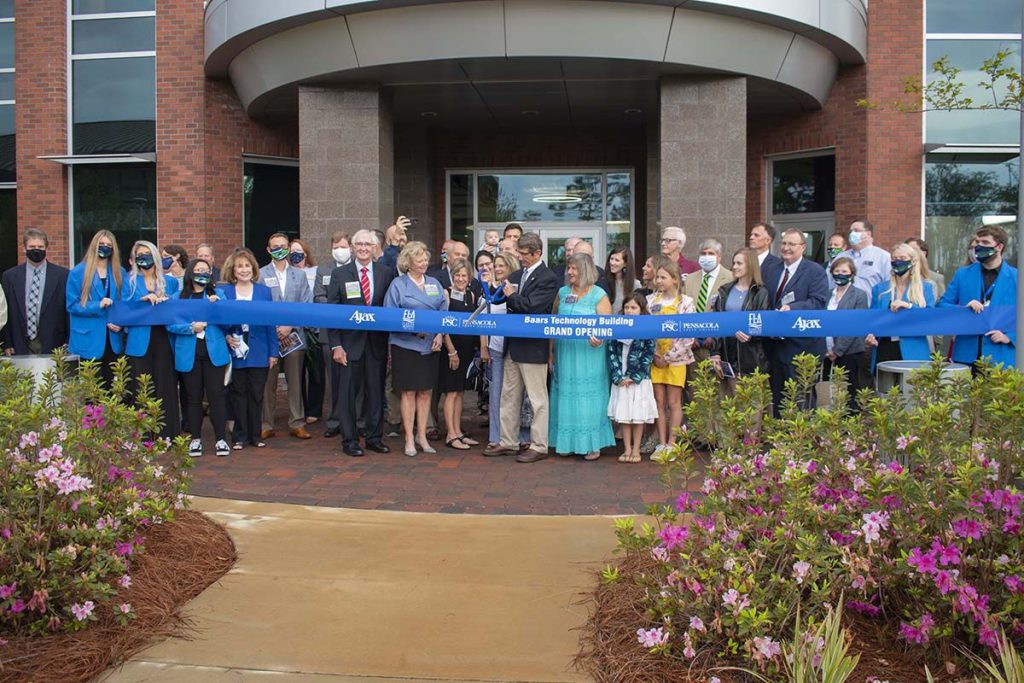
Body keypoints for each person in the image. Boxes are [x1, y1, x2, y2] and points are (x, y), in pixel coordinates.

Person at [482, 232, 559, 463]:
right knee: (508, 396)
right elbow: (505, 302)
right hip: (512, 345)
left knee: (537, 399)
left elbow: (532, 307)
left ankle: (539, 445)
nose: (520, 257)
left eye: (524, 254)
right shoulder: (516, 274)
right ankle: (508, 441)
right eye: (519, 253)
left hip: (533, 347)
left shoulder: (548, 278)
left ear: (537, 253)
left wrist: (512, 296)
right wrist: (495, 292)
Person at [327, 229, 396, 456]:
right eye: (360, 244)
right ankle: (349, 440)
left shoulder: (386, 273)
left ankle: (375, 437)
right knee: (347, 394)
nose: (364, 248)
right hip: (348, 345)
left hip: (376, 344)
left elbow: (391, 309)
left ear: (375, 247)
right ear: (353, 248)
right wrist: (336, 345)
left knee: (375, 393)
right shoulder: (340, 274)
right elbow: (332, 313)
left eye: (368, 244)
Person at [383, 241, 451, 457]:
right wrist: (414, 331)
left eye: (425, 259)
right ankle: (409, 438)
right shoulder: (398, 285)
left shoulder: (434, 283)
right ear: (408, 262)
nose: (424, 263)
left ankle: (422, 435)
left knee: (425, 392)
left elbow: (443, 310)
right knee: (409, 392)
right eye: (419, 259)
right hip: (406, 345)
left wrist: (439, 334)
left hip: (430, 345)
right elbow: (390, 317)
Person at [548, 253, 615, 461]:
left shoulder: (599, 295)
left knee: (590, 396)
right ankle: (567, 443)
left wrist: (600, 338)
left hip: (590, 355)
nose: (569, 272)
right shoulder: (562, 292)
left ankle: (591, 444)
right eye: (569, 268)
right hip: (565, 352)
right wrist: (551, 353)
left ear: (585, 270)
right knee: (565, 394)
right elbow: (552, 322)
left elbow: (607, 326)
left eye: (574, 269)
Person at [761, 228, 829, 415]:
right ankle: (780, 440)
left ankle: (802, 441)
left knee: (802, 399)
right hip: (775, 346)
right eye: (783, 243)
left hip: (803, 346)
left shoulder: (815, 271)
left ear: (803, 247)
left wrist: (793, 309)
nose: (786, 248)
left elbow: (818, 301)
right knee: (778, 398)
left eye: (792, 244)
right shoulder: (771, 270)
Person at [170, 259, 230, 457]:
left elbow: (229, 323)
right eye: (197, 270)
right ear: (190, 273)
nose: (202, 273)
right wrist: (190, 328)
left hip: (214, 354)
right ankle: (195, 438)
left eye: (205, 270)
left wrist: (219, 308)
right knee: (193, 398)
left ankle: (221, 439)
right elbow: (170, 324)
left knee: (216, 396)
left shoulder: (218, 295)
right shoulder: (178, 297)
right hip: (189, 354)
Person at [220, 248, 278, 450]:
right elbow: (218, 320)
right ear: (232, 270)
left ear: (253, 268)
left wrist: (273, 352)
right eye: (239, 266)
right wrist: (227, 336)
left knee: (256, 394)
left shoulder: (264, 292)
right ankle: (239, 436)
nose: (244, 270)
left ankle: (255, 435)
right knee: (238, 393)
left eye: (247, 266)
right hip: (235, 349)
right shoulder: (225, 292)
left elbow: (271, 323)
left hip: (259, 350)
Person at [122, 240, 180, 440]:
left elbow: (178, 308)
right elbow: (124, 310)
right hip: (139, 341)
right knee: (141, 388)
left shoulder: (169, 281)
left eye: (147, 253)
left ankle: (167, 434)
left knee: (165, 385)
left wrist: (167, 300)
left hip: (163, 338)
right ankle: (144, 436)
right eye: (139, 254)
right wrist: (141, 302)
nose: (143, 258)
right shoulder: (129, 281)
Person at [259, 232, 314, 441]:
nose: (279, 249)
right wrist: (274, 328)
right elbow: (258, 306)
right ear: (268, 250)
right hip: (269, 335)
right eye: (275, 246)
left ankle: (297, 422)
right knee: (268, 382)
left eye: (283, 246)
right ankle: (266, 423)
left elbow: (306, 305)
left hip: (294, 336)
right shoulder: (261, 275)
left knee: (295, 380)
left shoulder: (299, 275)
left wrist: (289, 325)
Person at [938, 226, 1017, 370]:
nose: (979, 246)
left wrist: (1010, 337)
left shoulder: (1017, 278)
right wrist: (963, 309)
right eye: (978, 242)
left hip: (1001, 357)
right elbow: (942, 305)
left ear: (999, 247)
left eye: (985, 243)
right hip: (966, 355)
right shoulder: (962, 274)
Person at [479, 251, 530, 452]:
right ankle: (496, 436)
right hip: (495, 349)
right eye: (495, 266)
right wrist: (484, 347)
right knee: (495, 394)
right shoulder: (488, 290)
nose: (498, 269)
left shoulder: (515, 290)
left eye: (501, 266)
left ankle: (520, 436)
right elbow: (482, 319)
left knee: (515, 396)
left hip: (512, 348)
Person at [647, 259, 695, 451]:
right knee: (659, 401)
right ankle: (661, 441)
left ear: (675, 280)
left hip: (676, 359)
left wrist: (668, 356)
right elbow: (645, 329)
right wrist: (655, 354)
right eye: (657, 277)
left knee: (674, 401)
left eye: (663, 277)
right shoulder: (651, 301)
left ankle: (672, 443)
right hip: (655, 358)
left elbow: (688, 335)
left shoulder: (686, 302)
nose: (658, 281)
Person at [67, 231, 125, 386]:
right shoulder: (78, 272)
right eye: (101, 244)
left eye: (108, 245)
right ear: (94, 246)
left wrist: (120, 322)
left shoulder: (120, 272)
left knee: (111, 389)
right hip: (88, 339)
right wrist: (97, 305)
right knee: (90, 391)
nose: (105, 248)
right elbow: (71, 305)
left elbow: (123, 304)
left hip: (112, 339)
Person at [866, 243, 936, 368]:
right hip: (885, 347)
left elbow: (930, 317)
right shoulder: (880, 289)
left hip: (913, 349)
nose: (897, 262)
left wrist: (909, 306)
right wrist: (871, 335)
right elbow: (873, 318)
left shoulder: (925, 287)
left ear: (913, 261)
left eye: (902, 259)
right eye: (894, 259)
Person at [607, 292, 657, 463]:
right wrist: (618, 376)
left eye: (634, 307)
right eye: (627, 307)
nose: (629, 310)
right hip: (621, 379)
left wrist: (634, 377)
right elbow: (611, 352)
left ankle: (636, 449)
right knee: (624, 415)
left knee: (637, 415)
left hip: (639, 380)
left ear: (642, 310)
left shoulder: (647, 329)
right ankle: (627, 448)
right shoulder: (617, 328)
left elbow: (648, 355)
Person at [711, 248, 771, 389]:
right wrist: (715, 353)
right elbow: (717, 322)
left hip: (751, 357)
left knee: (753, 406)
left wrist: (751, 335)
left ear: (750, 265)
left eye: (739, 263)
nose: (734, 267)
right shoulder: (725, 290)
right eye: (734, 263)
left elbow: (764, 322)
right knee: (734, 404)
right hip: (728, 355)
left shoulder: (760, 292)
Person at [2, 228, 69, 356]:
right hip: (19, 343)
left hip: (54, 342)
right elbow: (5, 311)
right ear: (24, 248)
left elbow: (68, 310)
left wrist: (68, 341)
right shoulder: (9, 276)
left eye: (40, 246)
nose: (36, 250)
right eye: (32, 246)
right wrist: (7, 342)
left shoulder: (63, 275)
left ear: (46, 249)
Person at [439, 258, 479, 450]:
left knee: (460, 392)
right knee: (451, 392)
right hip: (451, 352)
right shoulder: (446, 294)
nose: (461, 278)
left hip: (467, 351)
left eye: (464, 275)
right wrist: (451, 351)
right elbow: (443, 325)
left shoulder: (471, 295)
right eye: (457, 275)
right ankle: (451, 434)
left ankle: (458, 432)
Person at [314, 231, 351, 438]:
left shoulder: (356, 269)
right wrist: (336, 306)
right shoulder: (324, 270)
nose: (340, 251)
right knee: (333, 380)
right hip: (330, 335)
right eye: (336, 247)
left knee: (356, 380)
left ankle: (356, 420)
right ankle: (335, 420)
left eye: (343, 247)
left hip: (353, 333)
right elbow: (318, 296)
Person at [824, 257, 870, 412]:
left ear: (852, 273)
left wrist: (837, 350)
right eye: (836, 271)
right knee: (827, 392)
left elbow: (855, 325)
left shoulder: (859, 295)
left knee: (849, 392)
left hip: (850, 352)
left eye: (844, 271)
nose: (840, 274)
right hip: (826, 349)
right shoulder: (827, 295)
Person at [289, 238, 324, 426]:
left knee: (316, 371)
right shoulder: (288, 274)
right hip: (296, 330)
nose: (296, 255)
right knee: (297, 372)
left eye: (299, 251)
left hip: (315, 329)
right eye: (292, 251)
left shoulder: (316, 272)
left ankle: (314, 409)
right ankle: (299, 408)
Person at [683, 238, 734, 363]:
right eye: (703, 254)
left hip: (718, 346)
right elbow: (683, 309)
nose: (706, 257)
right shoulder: (689, 279)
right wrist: (690, 336)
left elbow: (730, 313)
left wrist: (714, 335)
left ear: (719, 257)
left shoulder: (730, 278)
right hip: (692, 346)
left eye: (711, 253)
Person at [838, 220, 890, 301]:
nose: (852, 234)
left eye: (856, 230)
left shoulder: (883, 257)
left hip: (870, 308)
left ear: (868, 234)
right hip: (843, 308)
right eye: (851, 231)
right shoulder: (841, 257)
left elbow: (889, 285)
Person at [604, 246, 640, 314]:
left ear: (625, 264)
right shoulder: (603, 282)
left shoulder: (635, 284)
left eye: (617, 260)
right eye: (611, 259)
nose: (612, 263)